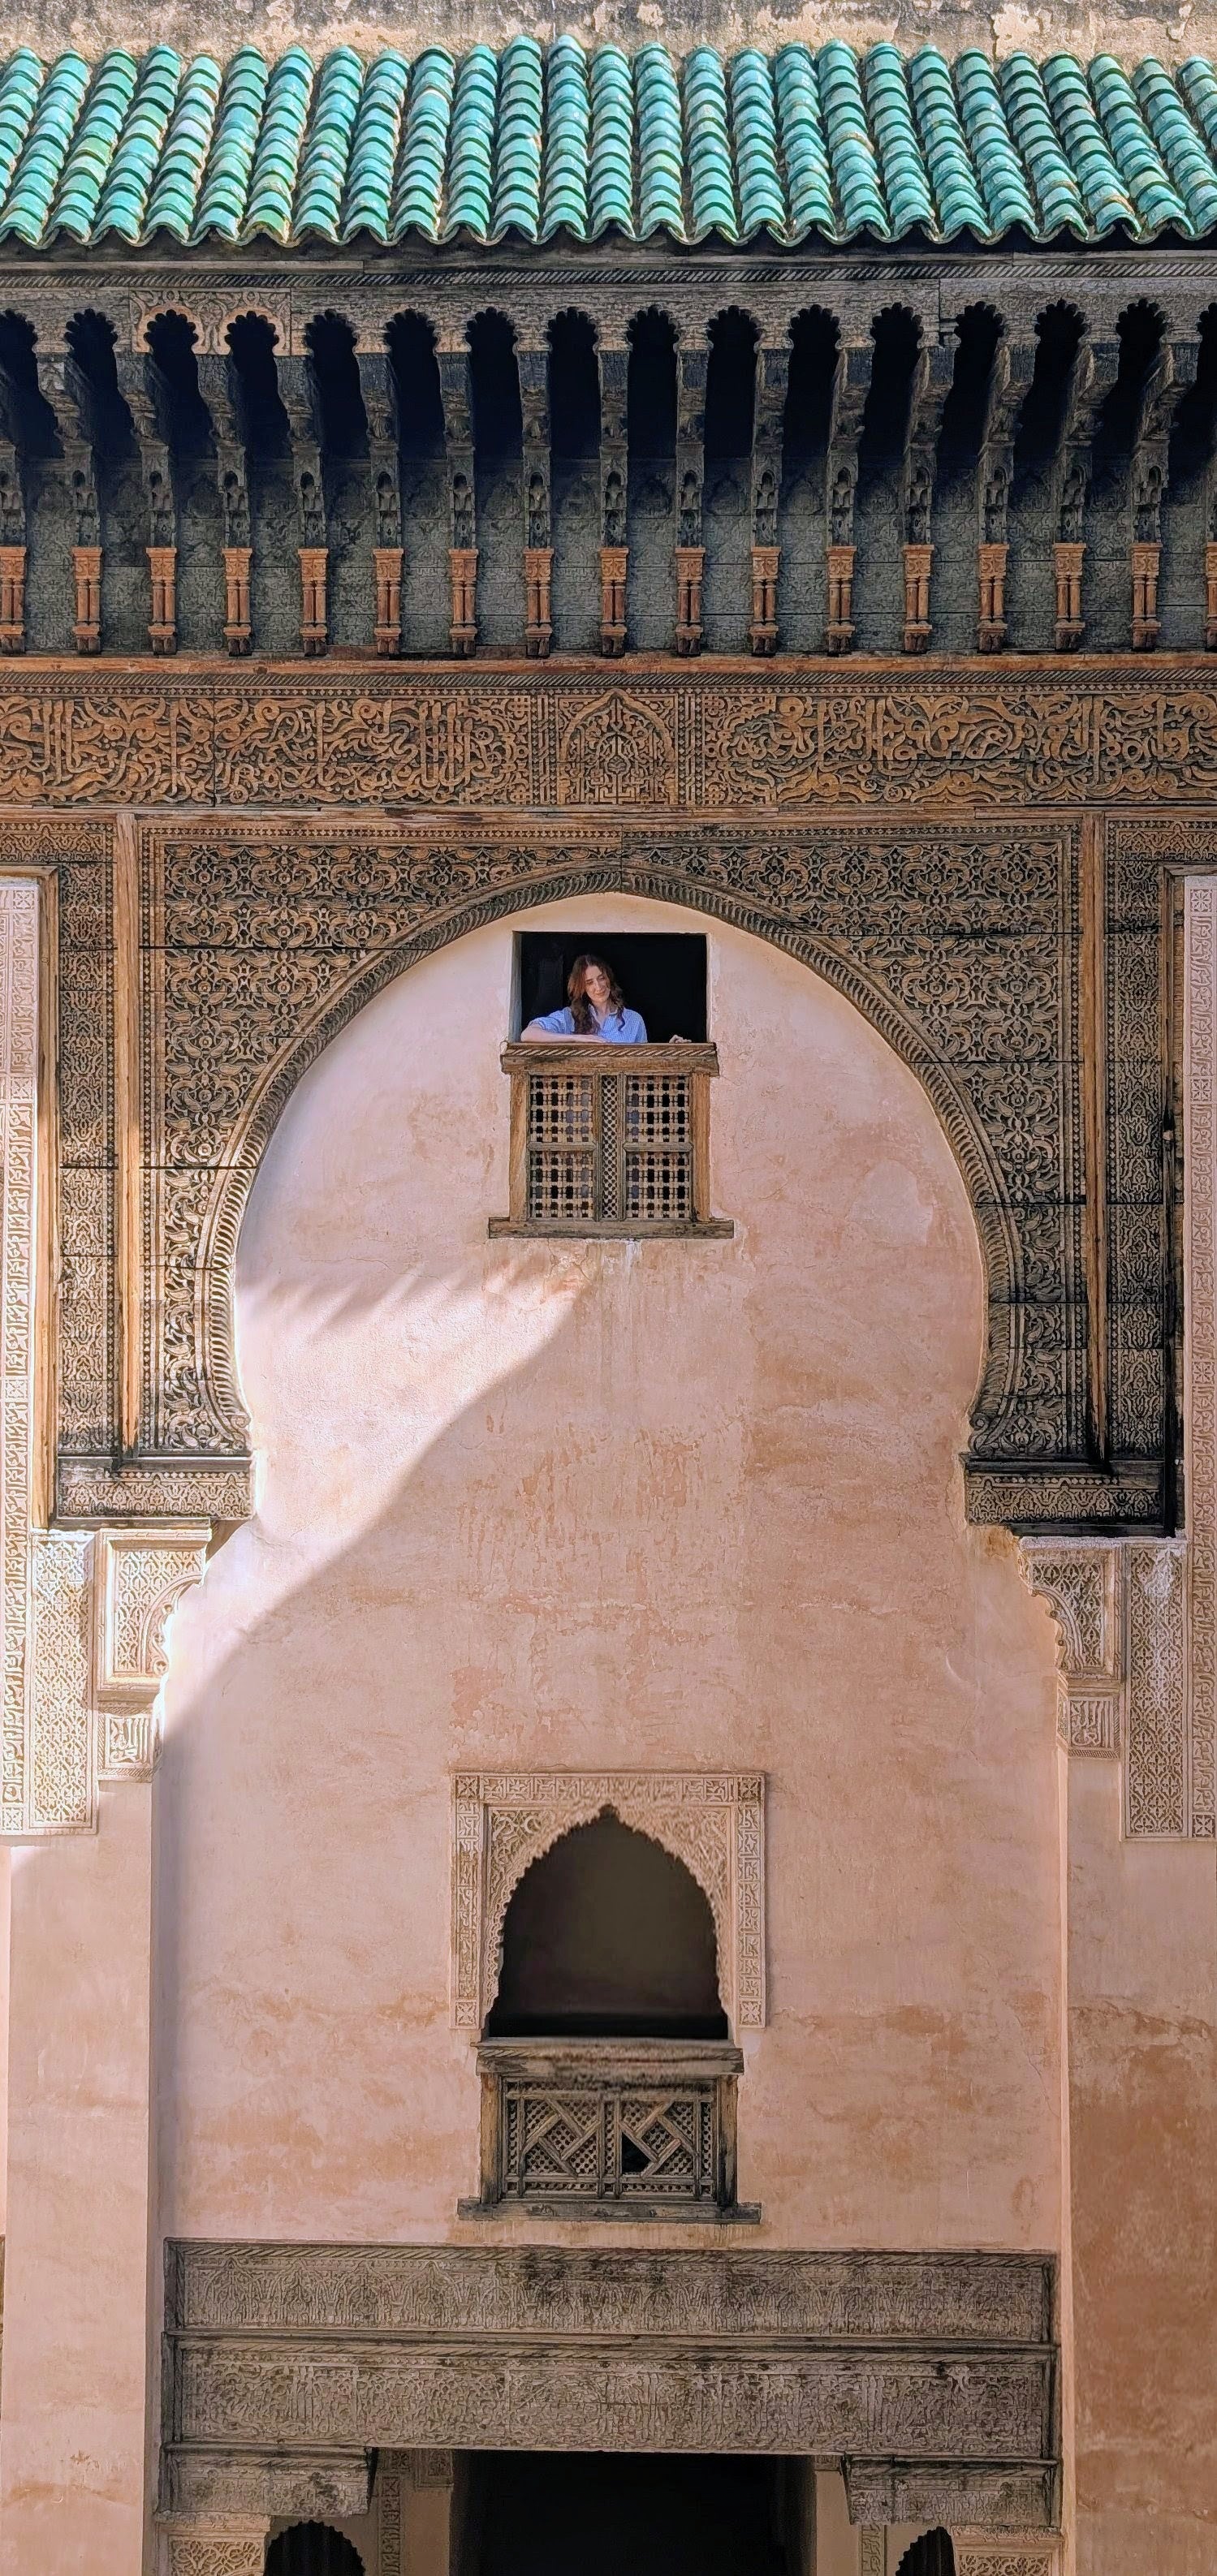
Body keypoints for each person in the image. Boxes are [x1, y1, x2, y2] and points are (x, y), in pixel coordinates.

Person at [524, 953, 647, 1043]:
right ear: (582, 988)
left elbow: (644, 1064)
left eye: (601, 978)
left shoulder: (634, 1020)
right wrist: (576, 1038)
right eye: (589, 982)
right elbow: (528, 1034)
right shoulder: (569, 1017)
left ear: (609, 978)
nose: (598, 987)